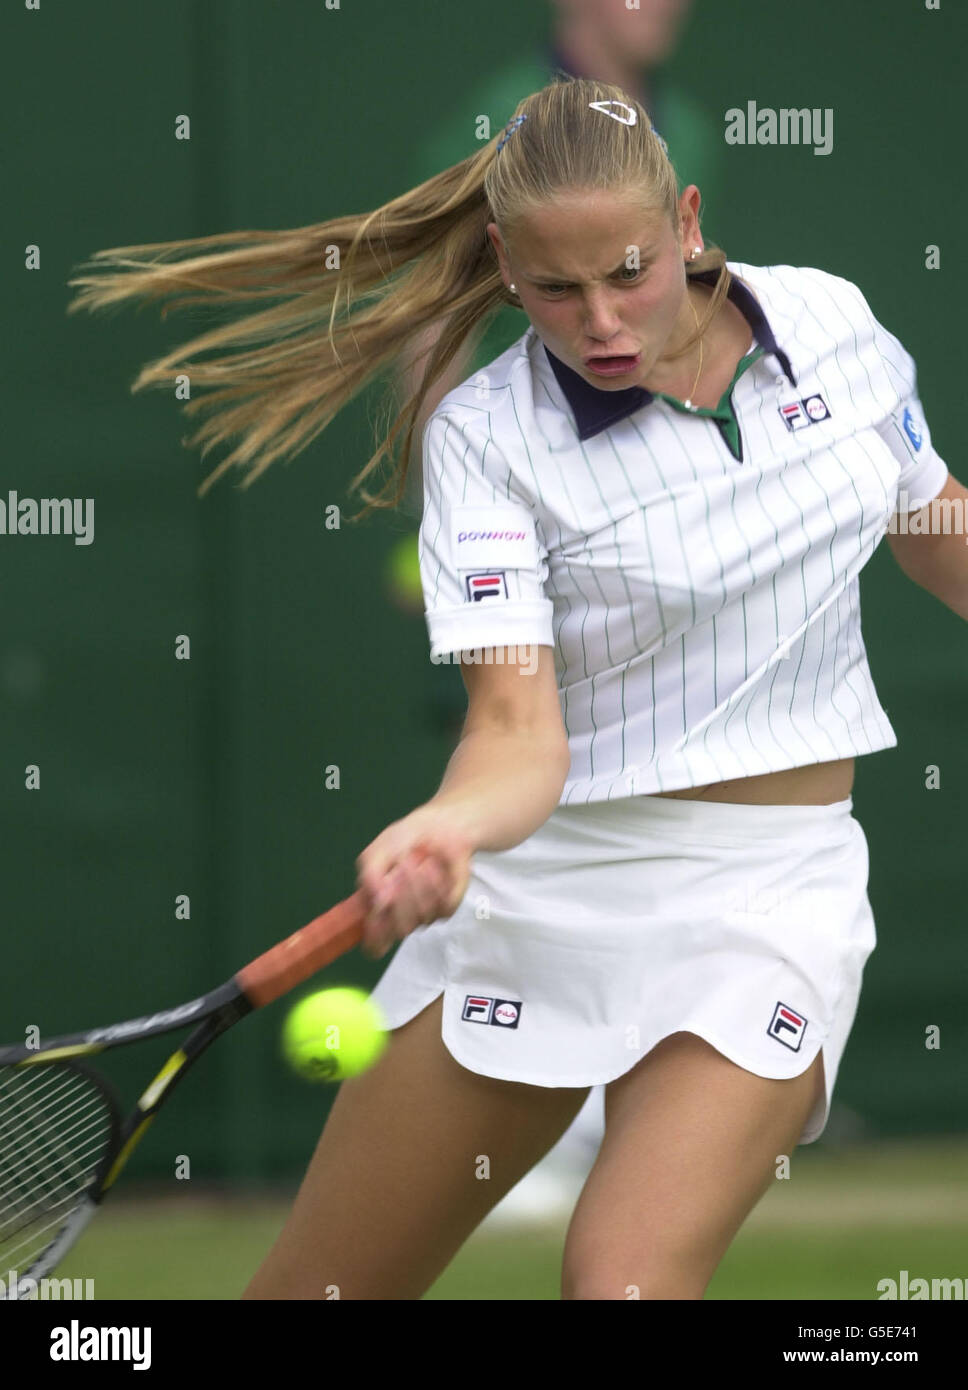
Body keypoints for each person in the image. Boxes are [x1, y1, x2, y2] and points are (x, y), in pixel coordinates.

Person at [67, 77, 965, 1301]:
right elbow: (513, 733)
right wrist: (448, 823)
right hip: (538, 893)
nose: (598, 318)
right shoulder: (486, 440)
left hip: (768, 895)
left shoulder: (834, 323)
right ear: (501, 262)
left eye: (629, 272)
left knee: (622, 1283)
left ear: (688, 223)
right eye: (553, 289)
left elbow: (931, 527)